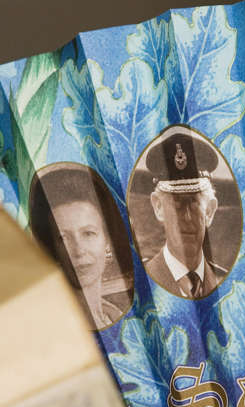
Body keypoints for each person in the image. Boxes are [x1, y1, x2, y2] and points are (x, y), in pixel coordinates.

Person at [29, 163, 133, 329]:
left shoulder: (115, 314)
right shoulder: (51, 324)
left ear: (106, 240)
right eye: (64, 238)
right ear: (52, 248)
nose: (79, 250)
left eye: (88, 234)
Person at [142, 126, 227, 299]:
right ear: (158, 207)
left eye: (194, 204)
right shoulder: (142, 282)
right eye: (177, 205)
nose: (187, 218)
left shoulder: (226, 282)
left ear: (209, 211)